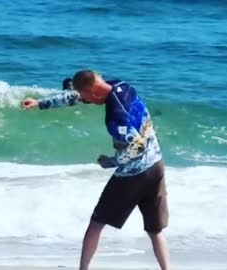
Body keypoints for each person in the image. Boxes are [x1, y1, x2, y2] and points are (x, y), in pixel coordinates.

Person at [21, 70, 170, 270]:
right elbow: (78, 96)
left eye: (85, 97)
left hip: (133, 175)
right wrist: (41, 103)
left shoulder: (117, 116)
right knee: (155, 230)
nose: (83, 100)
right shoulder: (119, 86)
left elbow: (137, 146)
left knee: (96, 223)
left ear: (93, 92)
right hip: (156, 166)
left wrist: (111, 161)